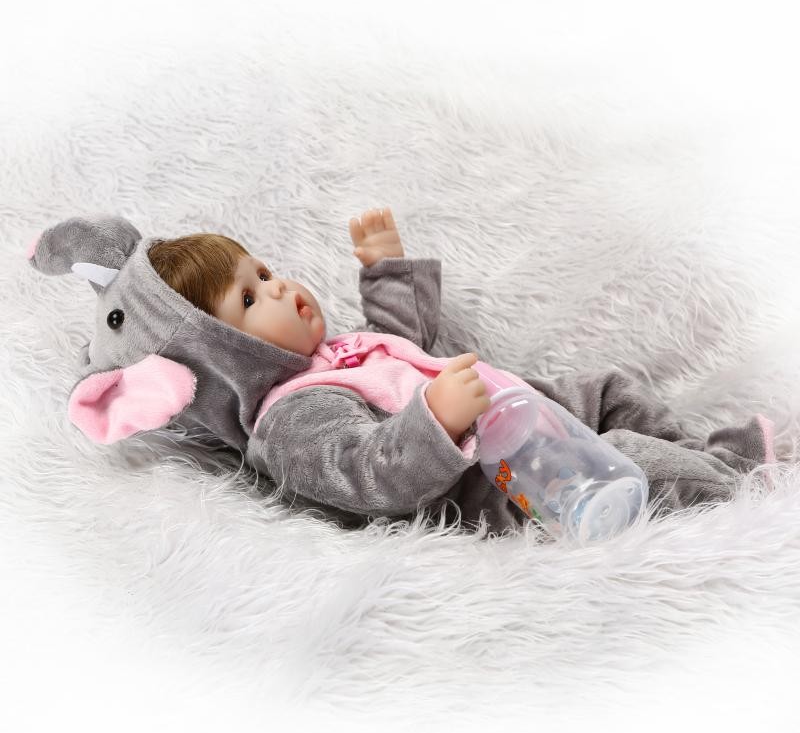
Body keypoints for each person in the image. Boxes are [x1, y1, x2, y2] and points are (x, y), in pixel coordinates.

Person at [28, 209, 779, 537]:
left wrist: (385, 267)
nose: (283, 289)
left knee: (612, 391)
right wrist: (435, 421)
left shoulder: (339, 355)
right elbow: (365, 474)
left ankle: (710, 451)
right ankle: (744, 489)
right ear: (222, 355)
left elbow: (402, 339)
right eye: (251, 300)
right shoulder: (290, 418)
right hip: (501, 480)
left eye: (267, 272)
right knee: (634, 465)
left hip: (535, 410)